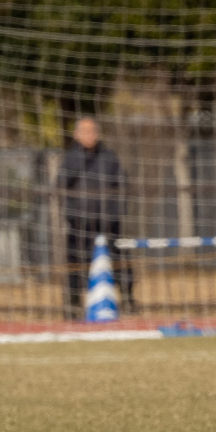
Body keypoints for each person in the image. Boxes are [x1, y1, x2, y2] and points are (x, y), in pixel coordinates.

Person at [57, 116, 132, 318]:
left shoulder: (109, 157)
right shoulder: (71, 158)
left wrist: (116, 211)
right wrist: (71, 213)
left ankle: (128, 300)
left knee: (120, 261)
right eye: (85, 131)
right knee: (76, 263)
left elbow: (122, 184)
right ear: (76, 134)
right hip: (79, 222)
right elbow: (61, 185)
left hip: (108, 222)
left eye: (93, 131)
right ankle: (73, 305)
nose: (89, 135)